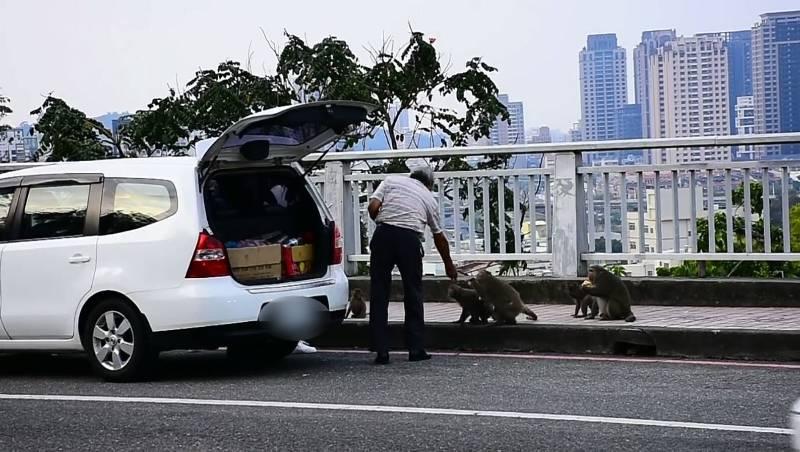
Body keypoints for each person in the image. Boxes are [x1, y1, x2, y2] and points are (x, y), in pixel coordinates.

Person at [367, 166, 457, 365]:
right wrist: (449, 265)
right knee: (413, 292)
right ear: (429, 184)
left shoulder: (391, 181)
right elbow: (439, 236)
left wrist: (383, 224)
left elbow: (373, 207)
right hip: (409, 240)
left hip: (383, 235)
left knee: (379, 292)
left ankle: (381, 350)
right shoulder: (428, 198)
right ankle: (415, 349)